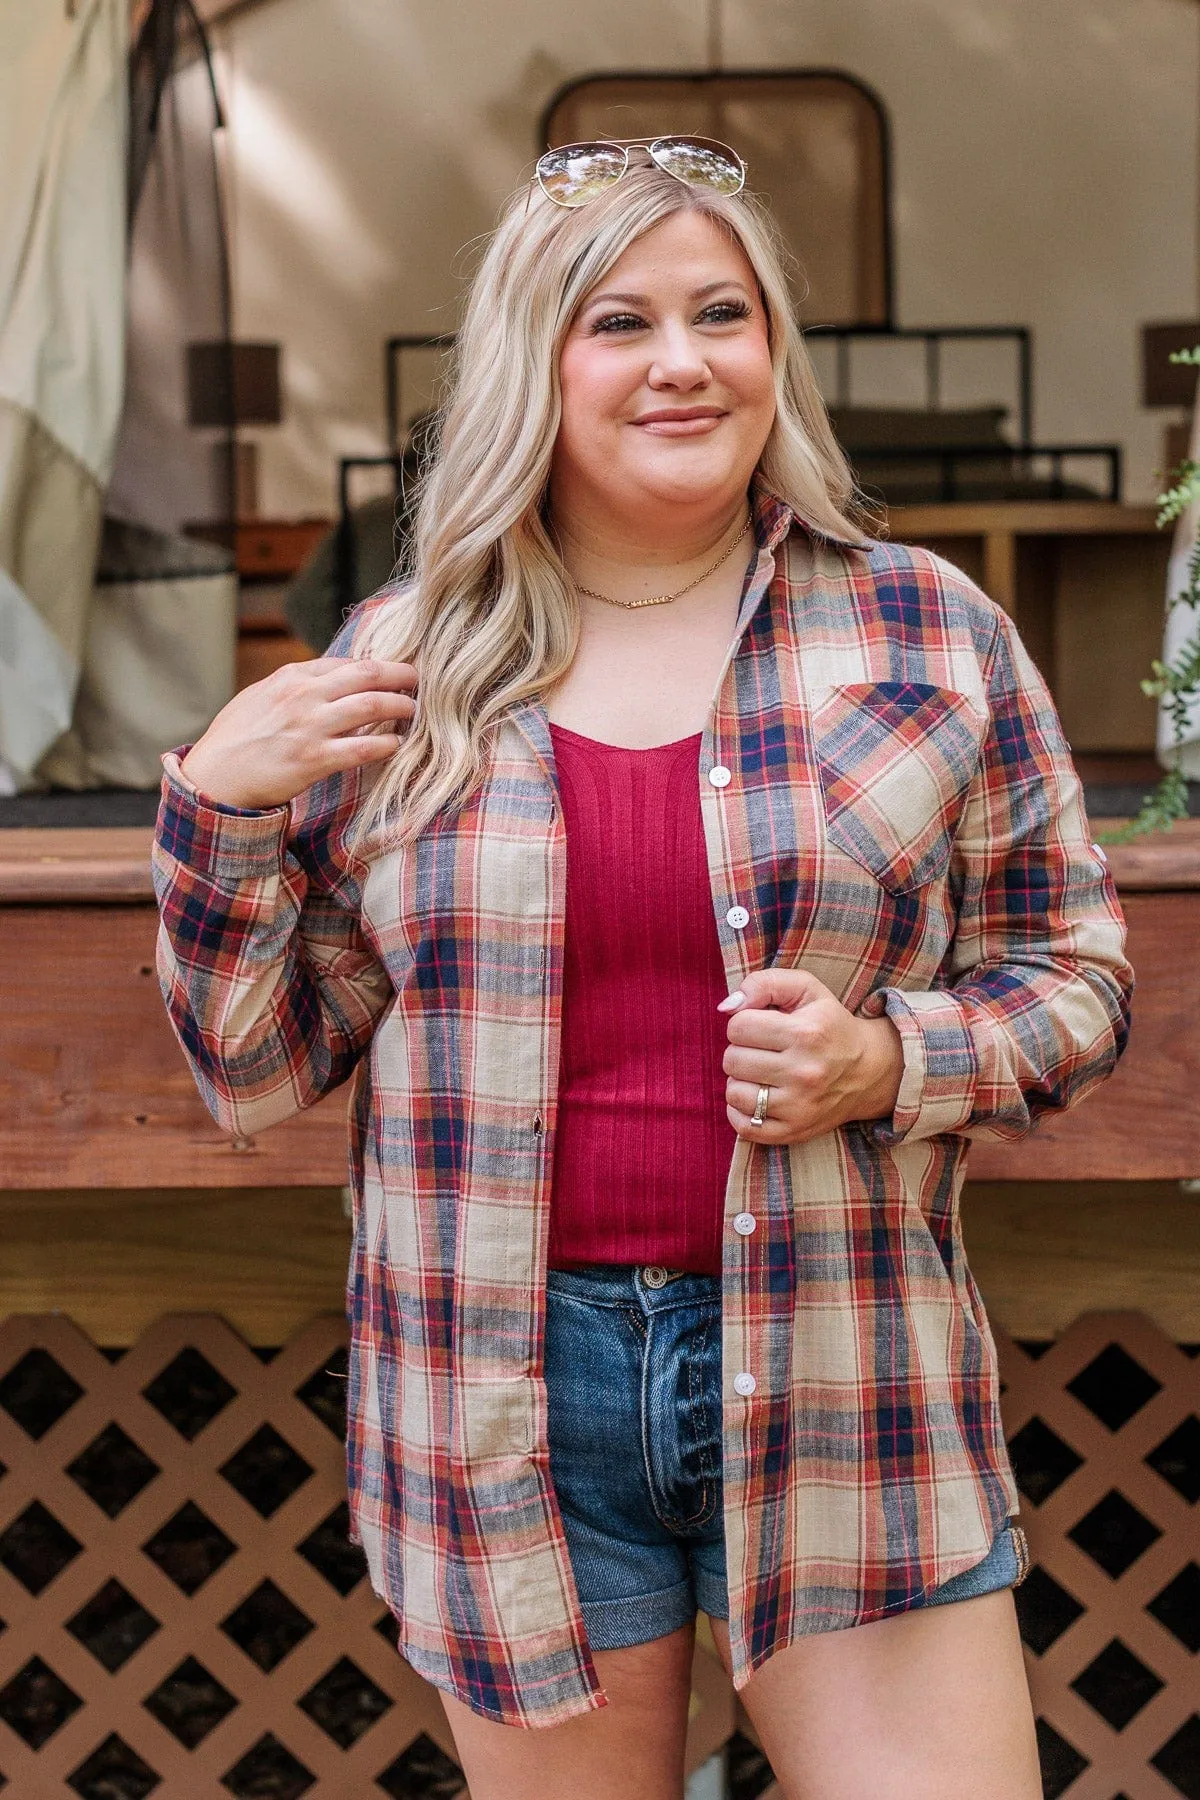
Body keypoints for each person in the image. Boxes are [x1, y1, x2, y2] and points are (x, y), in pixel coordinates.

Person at [152, 138, 1133, 1800]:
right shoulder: (403, 664)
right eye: (620, 321)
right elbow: (255, 1073)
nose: (682, 362)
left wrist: (888, 1061)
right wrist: (219, 811)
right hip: (503, 1396)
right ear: (536, 362)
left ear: (774, 355)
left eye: (721, 315)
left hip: (845, 1372)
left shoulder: (926, 631)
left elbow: (1078, 977)